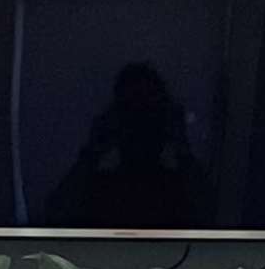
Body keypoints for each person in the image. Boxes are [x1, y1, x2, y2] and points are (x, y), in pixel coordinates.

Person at [42, 60, 212, 230]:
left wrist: (183, 148)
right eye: (132, 111)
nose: (140, 125)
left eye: (149, 112)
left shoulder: (180, 190)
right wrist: (92, 151)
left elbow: (209, 214)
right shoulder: (97, 189)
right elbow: (52, 218)